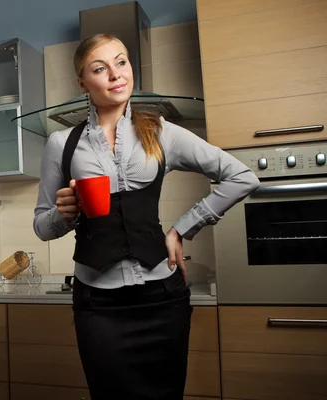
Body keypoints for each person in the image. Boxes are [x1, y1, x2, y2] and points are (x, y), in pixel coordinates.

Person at [33, 34, 259, 399]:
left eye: (121, 62)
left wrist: (183, 228)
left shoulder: (160, 132)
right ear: (82, 83)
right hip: (97, 305)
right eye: (100, 68)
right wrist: (65, 214)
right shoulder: (62, 144)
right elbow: (42, 226)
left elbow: (243, 176)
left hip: (162, 299)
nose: (115, 75)